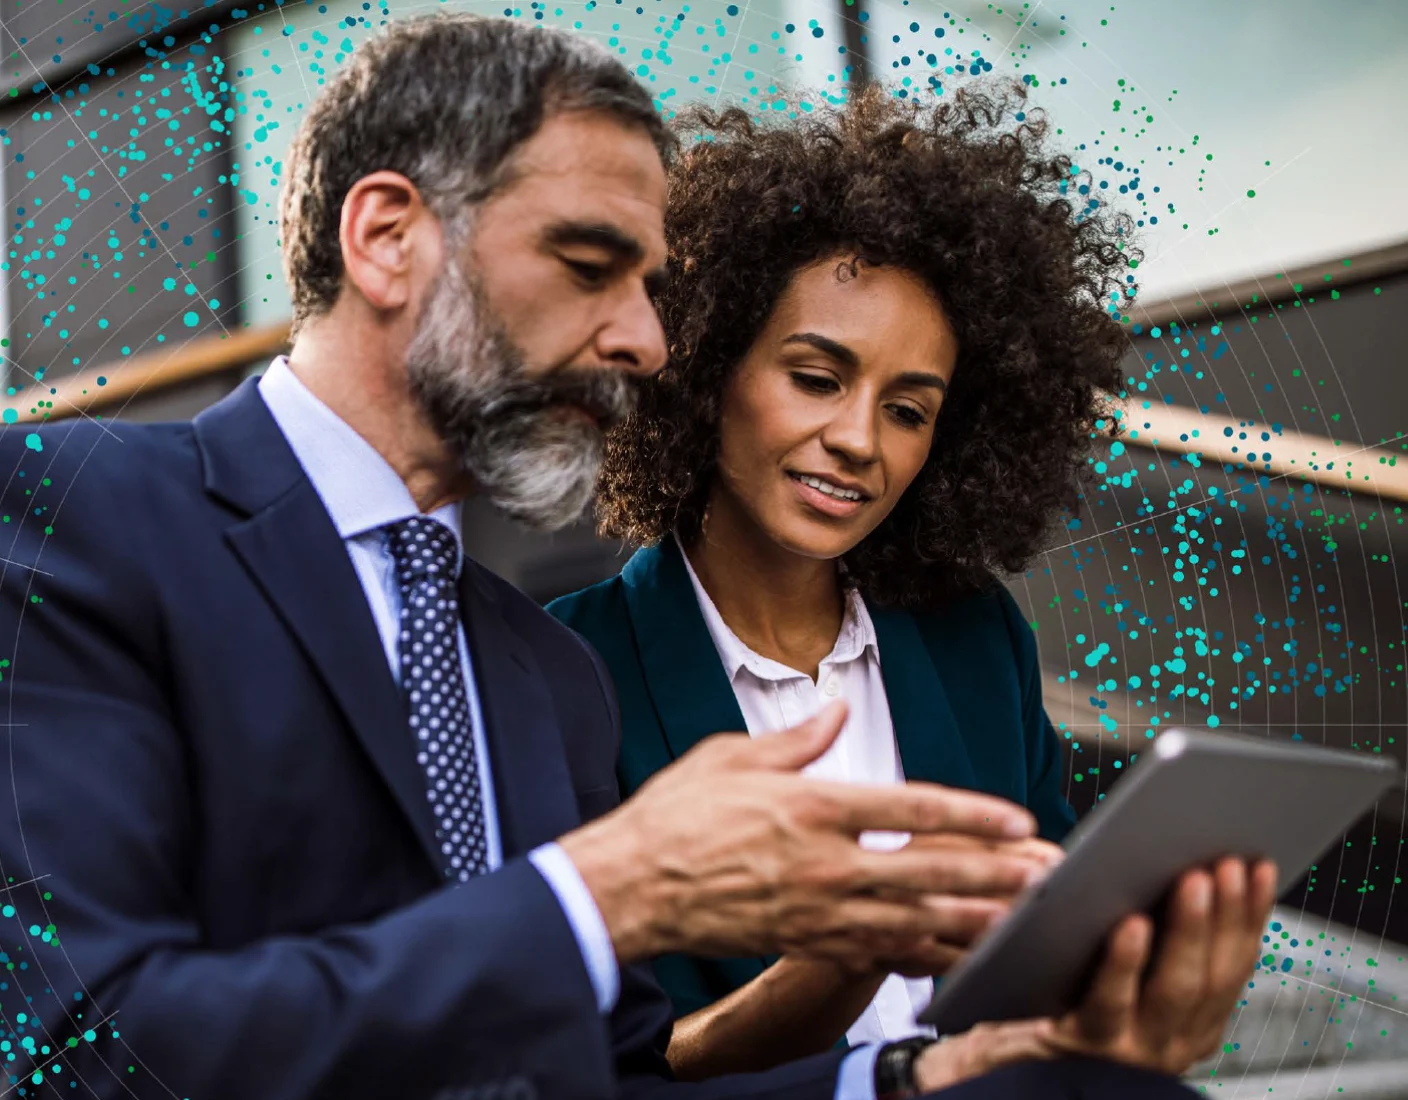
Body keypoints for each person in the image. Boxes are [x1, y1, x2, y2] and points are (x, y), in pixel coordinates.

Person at [0, 15, 1267, 1100]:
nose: (649, 342)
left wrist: (913, 1074)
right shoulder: (70, 514)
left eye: (656, 289)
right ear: (385, 236)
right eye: (591, 265)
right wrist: (603, 893)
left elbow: (612, 1080)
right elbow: (71, 1055)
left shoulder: (539, 673)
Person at [549, 83, 1275, 1085]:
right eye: (814, 376)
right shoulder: (557, 679)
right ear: (705, 366)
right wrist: (840, 959)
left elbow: (1043, 947)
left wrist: (1136, 971)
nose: (856, 439)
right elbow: (601, 1069)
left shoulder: (974, 636)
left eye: (908, 408)